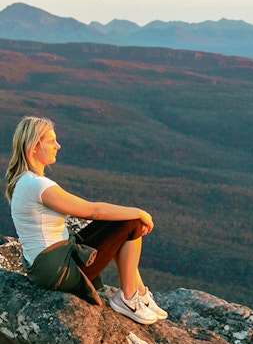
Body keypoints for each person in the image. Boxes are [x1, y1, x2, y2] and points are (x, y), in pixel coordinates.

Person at [5, 115, 167, 325]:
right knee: (132, 223)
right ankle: (127, 298)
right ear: (34, 147)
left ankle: (140, 292)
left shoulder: (25, 180)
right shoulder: (38, 186)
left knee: (122, 224)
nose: (58, 146)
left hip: (46, 265)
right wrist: (139, 212)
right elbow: (93, 211)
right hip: (56, 270)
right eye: (51, 141)